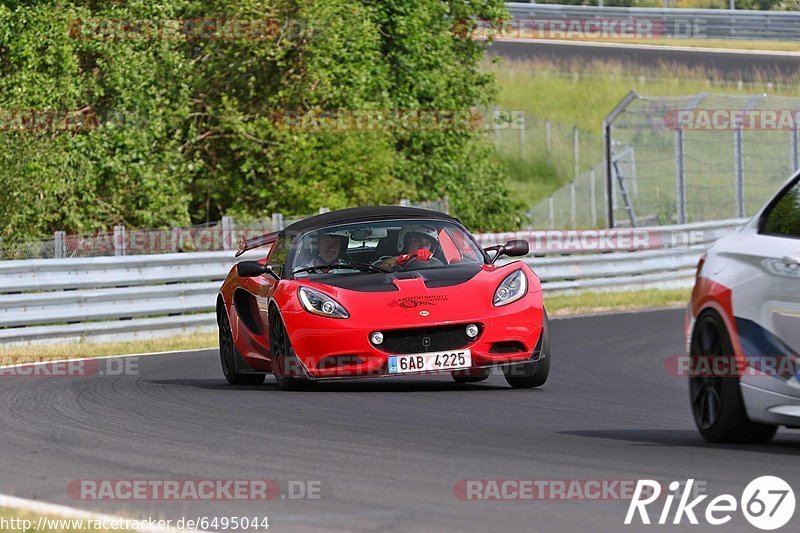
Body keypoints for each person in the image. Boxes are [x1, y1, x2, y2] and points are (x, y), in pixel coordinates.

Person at [379, 225, 443, 270]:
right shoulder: (391, 261)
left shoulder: (437, 267)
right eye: (416, 241)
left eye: (427, 244)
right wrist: (399, 260)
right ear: (405, 243)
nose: (422, 247)